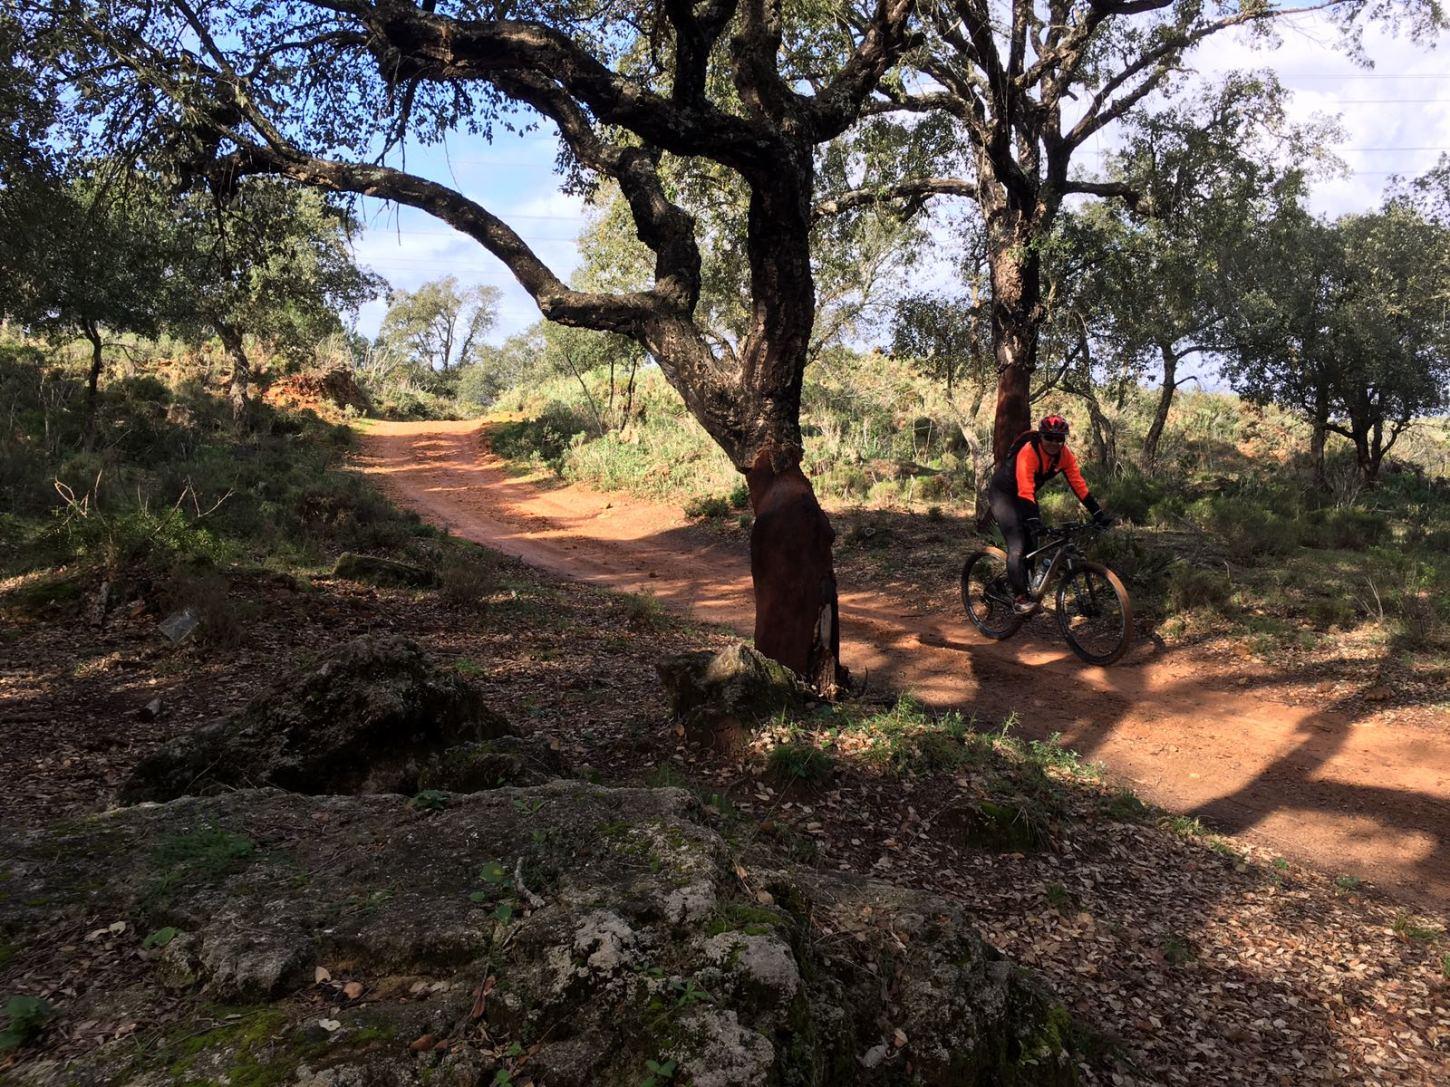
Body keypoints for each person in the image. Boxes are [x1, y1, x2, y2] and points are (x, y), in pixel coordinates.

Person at [987, 414, 1112, 614]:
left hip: (1025, 496)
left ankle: (1028, 589)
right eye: (1049, 437)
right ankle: (1020, 599)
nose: (1054, 443)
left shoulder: (1065, 455)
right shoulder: (1029, 452)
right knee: (1018, 545)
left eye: (1060, 439)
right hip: (1004, 494)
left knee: (1032, 545)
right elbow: (1025, 487)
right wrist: (1033, 519)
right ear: (1041, 436)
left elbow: (1078, 485)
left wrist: (1097, 513)